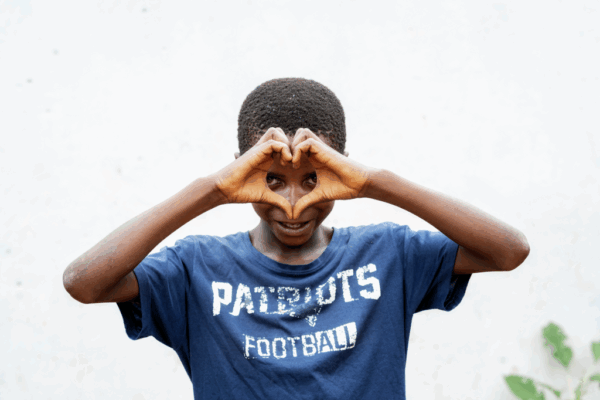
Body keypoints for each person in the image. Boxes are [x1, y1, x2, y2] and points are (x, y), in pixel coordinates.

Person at [63, 78, 530, 399]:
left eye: (313, 179)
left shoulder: (389, 255)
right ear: (239, 169)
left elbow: (509, 250)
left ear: (341, 168)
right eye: (270, 179)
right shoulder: (195, 269)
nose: (293, 202)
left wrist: (375, 183)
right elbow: (85, 281)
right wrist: (211, 190)